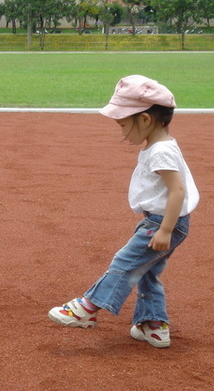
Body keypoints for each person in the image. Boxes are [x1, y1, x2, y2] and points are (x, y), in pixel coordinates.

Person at [48, 75, 199, 348]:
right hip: (164, 221)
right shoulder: (160, 146)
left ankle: (87, 308)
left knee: (124, 262)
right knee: (146, 271)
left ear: (144, 120)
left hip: (164, 222)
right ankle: (154, 325)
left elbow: (178, 191)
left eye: (123, 125)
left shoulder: (160, 152)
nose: (122, 132)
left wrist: (165, 229)